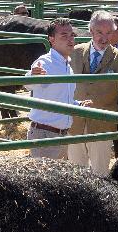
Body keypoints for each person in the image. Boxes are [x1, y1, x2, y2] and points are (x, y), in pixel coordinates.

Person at [67, 10, 118, 175]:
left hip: (101, 124)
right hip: (74, 121)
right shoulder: (75, 52)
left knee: (100, 173)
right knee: (76, 173)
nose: (104, 38)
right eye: (99, 32)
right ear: (91, 31)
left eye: (108, 33)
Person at [26, 19, 91, 158]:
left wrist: (78, 104)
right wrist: (31, 75)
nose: (70, 40)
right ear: (51, 39)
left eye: (72, 35)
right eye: (64, 36)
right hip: (45, 135)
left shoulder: (67, 65)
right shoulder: (44, 62)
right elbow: (29, 84)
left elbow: (61, 98)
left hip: (60, 134)